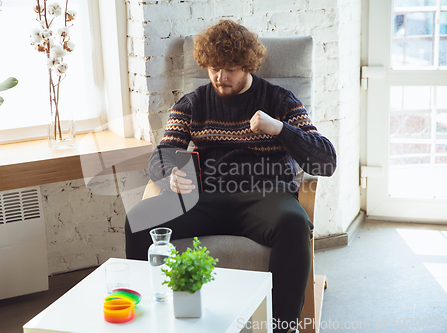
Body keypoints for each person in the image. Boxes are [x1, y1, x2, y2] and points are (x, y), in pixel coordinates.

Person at [124, 20, 337, 333]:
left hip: (266, 196)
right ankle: (151, 314)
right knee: (137, 220)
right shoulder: (192, 103)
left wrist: (279, 128)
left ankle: (281, 327)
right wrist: (168, 173)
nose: (220, 78)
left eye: (230, 70)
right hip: (205, 197)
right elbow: (162, 154)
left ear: (248, 66)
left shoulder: (280, 101)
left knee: (294, 223)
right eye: (213, 68)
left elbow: (326, 160)